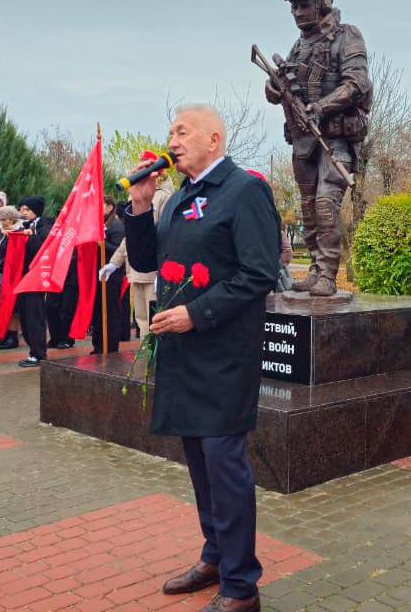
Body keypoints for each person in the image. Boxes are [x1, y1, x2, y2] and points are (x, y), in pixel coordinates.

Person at [124, 104, 280, 612]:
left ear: (213, 139)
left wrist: (196, 313)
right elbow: (146, 261)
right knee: (199, 463)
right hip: (183, 355)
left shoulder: (244, 190)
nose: (172, 140)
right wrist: (141, 206)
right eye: (170, 131)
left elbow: (259, 273)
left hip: (224, 355)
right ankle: (216, 556)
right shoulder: (178, 197)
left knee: (224, 465)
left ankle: (241, 585)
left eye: (182, 131)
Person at [264, 0, 371, 296]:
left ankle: (327, 275)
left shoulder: (347, 36)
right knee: (308, 208)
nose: (297, 12)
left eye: (303, 5)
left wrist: (321, 107)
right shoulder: (299, 46)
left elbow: (356, 83)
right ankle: (314, 269)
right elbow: (285, 87)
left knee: (325, 205)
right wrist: (273, 89)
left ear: (323, 3)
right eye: (293, 7)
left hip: (335, 139)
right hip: (303, 142)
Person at [103, 153, 175, 337]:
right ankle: (144, 353)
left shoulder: (165, 196)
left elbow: (167, 235)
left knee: (155, 320)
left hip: (154, 270)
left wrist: (163, 270)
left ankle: (152, 354)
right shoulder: (135, 194)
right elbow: (131, 236)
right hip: (136, 268)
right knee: (141, 319)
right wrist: (115, 262)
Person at [89, 197, 127, 354]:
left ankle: (110, 346)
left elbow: (120, 250)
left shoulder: (116, 225)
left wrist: (102, 244)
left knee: (110, 311)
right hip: (99, 273)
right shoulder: (99, 225)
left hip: (112, 275)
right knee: (98, 310)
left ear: (110, 207)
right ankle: (98, 344)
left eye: (101, 205)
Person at [15, 196, 50, 367]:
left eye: (27, 209)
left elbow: (42, 249)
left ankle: (39, 353)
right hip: (23, 278)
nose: (23, 213)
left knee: (35, 316)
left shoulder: (45, 227)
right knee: (25, 317)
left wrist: (30, 236)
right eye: (21, 209)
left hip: (36, 278)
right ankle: (33, 350)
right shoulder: (23, 226)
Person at [0, 205, 23, 349]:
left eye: (5, 219)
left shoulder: (17, 233)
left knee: (12, 307)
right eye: (1, 219)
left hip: (11, 275)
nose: (2, 222)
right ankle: (3, 334)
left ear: (12, 219)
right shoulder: (1, 232)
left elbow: (13, 255)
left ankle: (12, 337)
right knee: (1, 305)